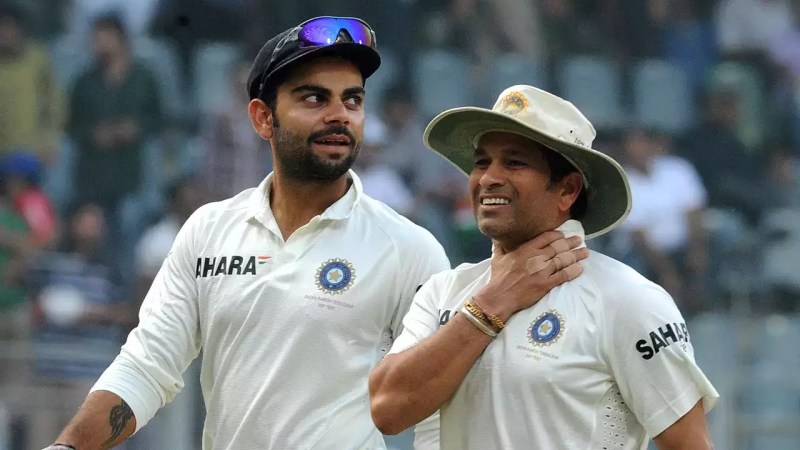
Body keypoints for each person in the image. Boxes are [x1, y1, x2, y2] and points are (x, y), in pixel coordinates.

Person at [40, 16, 502, 450]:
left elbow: (439, 411)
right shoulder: (208, 231)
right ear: (263, 118)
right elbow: (145, 368)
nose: (339, 115)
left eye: (353, 100)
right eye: (314, 99)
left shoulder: (409, 247)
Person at [369, 85, 720, 449]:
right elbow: (387, 410)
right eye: (482, 162)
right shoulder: (444, 290)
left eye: (514, 162)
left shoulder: (628, 299)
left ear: (568, 190)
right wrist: (492, 303)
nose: (488, 178)